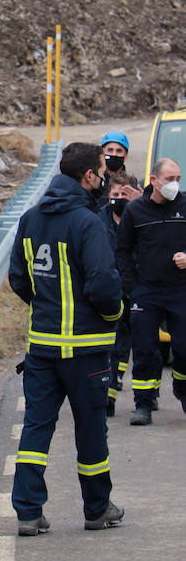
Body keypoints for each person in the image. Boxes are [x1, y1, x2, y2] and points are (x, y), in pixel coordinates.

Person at [9, 141, 124, 534]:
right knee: (91, 428)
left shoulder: (30, 219)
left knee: (36, 428)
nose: (105, 177)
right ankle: (96, 509)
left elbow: (18, 279)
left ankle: (27, 512)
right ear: (88, 176)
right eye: (102, 171)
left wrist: (46, 306)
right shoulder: (87, 221)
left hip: (42, 346)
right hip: (86, 349)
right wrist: (114, 315)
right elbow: (104, 284)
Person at [114, 156, 186, 426]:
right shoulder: (135, 211)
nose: (175, 184)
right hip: (147, 293)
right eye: (170, 179)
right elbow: (122, 251)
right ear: (154, 181)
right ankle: (143, 404)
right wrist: (133, 288)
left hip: (181, 290)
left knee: (184, 348)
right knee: (144, 350)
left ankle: (182, 389)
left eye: (178, 179)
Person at [99, 173, 140, 418]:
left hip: (135, 287)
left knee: (138, 344)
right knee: (111, 346)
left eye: (123, 195)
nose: (118, 200)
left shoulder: (140, 216)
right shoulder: (97, 220)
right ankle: (109, 398)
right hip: (109, 290)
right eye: (115, 195)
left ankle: (148, 394)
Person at [98, 131, 140, 202]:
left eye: (119, 151)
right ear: (103, 153)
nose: (114, 154)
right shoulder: (95, 181)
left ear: (125, 156)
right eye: (110, 150)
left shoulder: (132, 184)